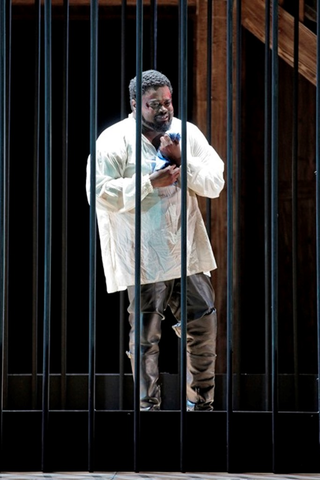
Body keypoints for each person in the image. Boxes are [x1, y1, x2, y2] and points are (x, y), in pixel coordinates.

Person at [86, 69, 225, 411]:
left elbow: (215, 183)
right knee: (147, 334)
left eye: (167, 102)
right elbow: (99, 192)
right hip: (142, 251)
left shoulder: (185, 133)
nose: (163, 110)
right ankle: (149, 409)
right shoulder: (114, 139)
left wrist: (182, 163)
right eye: (153, 104)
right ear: (135, 104)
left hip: (185, 248)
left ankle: (201, 404)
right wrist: (150, 182)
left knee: (203, 323)